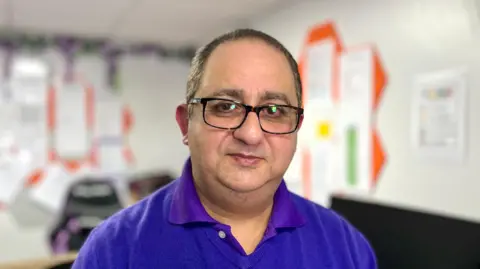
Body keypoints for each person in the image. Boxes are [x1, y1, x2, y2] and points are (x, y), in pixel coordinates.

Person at [72, 29, 377, 268]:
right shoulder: (112, 249)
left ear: (296, 126)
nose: (250, 133)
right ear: (185, 124)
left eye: (274, 111)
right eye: (225, 106)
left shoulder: (347, 248)